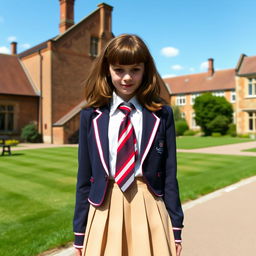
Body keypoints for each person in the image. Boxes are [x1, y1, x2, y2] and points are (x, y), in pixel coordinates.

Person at [73, 34, 184, 256]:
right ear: (107, 70)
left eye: (135, 69)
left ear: (146, 71)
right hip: (104, 205)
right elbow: (84, 177)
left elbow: (170, 174)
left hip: (149, 203)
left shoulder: (162, 114)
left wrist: (176, 226)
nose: (127, 77)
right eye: (119, 70)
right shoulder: (90, 116)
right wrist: (79, 234)